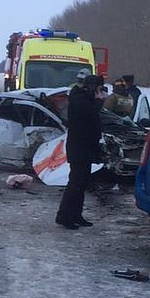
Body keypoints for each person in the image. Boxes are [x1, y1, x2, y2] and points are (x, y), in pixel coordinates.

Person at [55, 73, 105, 229]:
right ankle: (64, 216)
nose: (100, 92)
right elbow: (90, 113)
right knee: (75, 184)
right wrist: (98, 101)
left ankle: (76, 215)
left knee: (82, 183)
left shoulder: (84, 98)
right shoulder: (78, 99)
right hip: (79, 148)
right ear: (91, 87)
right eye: (98, 89)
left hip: (86, 147)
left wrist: (97, 100)